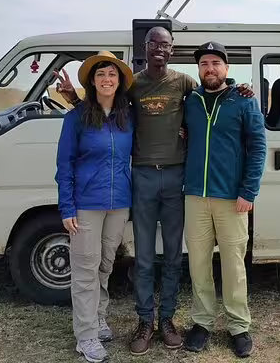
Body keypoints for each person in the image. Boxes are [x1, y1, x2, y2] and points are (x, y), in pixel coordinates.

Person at [53, 27, 254, 356]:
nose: (159, 49)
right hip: (143, 177)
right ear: (144, 48)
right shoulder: (132, 85)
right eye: (153, 44)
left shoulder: (185, 82)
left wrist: (240, 88)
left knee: (174, 256)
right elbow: (102, 112)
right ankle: (145, 322)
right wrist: (75, 100)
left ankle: (168, 319)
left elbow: (213, 92)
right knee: (144, 257)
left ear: (172, 49)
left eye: (165, 44)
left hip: (177, 180)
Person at [181, 41, 267, 358]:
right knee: (198, 264)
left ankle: (238, 327)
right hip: (195, 196)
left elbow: (258, 148)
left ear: (226, 69)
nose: (210, 68)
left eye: (216, 63)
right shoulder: (190, 101)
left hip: (232, 199)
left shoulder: (244, 101)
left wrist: (249, 191)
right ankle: (202, 323)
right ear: (199, 69)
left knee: (233, 266)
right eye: (204, 63)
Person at [54, 50, 135, 363]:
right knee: (86, 270)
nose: (107, 79)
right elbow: (65, 164)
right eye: (101, 74)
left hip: (118, 204)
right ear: (92, 81)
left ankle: (98, 317)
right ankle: (86, 335)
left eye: (112, 74)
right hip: (86, 205)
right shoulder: (76, 118)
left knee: (105, 265)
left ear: (119, 81)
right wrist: (67, 208)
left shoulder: (127, 117)